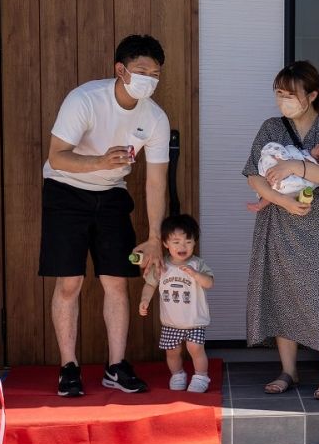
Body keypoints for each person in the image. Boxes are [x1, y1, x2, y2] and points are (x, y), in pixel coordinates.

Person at [40, 34, 171, 397]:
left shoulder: (155, 117)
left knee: (116, 280)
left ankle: (116, 366)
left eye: (156, 73)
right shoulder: (85, 99)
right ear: (121, 70)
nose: (149, 79)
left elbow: (156, 182)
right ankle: (69, 367)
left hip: (112, 193)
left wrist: (155, 237)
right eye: (142, 70)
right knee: (70, 282)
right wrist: (99, 161)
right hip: (65, 189)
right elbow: (56, 156)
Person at [242, 61, 319, 400]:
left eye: (290, 94)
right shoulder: (271, 127)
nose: (283, 100)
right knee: (281, 291)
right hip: (277, 219)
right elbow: (253, 173)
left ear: (312, 95)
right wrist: (281, 200)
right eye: (279, 93)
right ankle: (288, 370)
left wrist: (297, 166)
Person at [138, 214, 215, 393]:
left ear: (195, 242)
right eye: (176, 242)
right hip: (171, 321)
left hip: (194, 320)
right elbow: (150, 284)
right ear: (165, 243)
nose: (183, 246)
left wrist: (196, 275)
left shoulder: (197, 264)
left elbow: (209, 283)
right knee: (172, 351)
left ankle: (201, 376)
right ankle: (178, 374)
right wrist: (144, 300)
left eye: (188, 242)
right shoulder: (161, 265)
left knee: (195, 348)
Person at [245, 140, 319, 212]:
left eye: (318, 146)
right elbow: (252, 177)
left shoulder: (313, 164)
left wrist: (288, 162)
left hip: (284, 182)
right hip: (276, 183)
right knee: (274, 189)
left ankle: (262, 202)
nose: (317, 143)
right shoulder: (271, 126)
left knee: (279, 188)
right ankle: (262, 203)